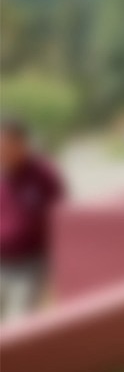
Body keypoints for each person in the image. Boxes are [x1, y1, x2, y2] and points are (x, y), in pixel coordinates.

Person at [0, 118, 68, 323]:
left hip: (31, 263)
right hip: (2, 262)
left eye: (7, 145)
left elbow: (62, 215)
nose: (3, 152)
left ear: (22, 143)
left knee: (19, 322)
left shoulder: (43, 174)